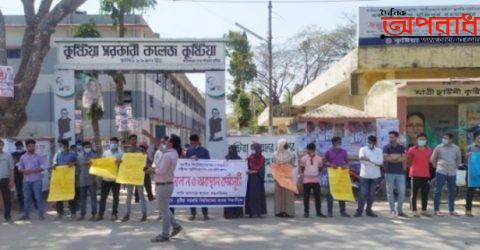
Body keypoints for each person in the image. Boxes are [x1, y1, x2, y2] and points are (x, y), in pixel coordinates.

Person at [150, 134, 184, 243]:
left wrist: (151, 170)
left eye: (168, 141)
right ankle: (176, 226)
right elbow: (160, 145)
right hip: (167, 184)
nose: (165, 142)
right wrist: (148, 135)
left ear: (171, 143)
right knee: (165, 209)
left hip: (163, 185)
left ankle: (165, 234)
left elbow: (161, 171)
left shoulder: (167, 155)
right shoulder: (173, 153)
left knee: (163, 211)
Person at [431, 133, 462, 217]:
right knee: (438, 190)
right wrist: (436, 167)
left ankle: (451, 210)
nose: (444, 139)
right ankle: (436, 210)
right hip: (441, 170)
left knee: (452, 191)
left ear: (451, 140)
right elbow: (433, 159)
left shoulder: (456, 148)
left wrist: (455, 168)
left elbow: (459, 160)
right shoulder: (438, 147)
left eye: (446, 138)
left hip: (452, 172)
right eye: (443, 137)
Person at [17, 139, 46, 221]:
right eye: (30, 146)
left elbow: (43, 167)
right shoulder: (23, 157)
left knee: (38, 197)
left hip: (37, 180)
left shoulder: (39, 156)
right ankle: (26, 215)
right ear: (26, 147)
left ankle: (41, 215)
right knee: (26, 198)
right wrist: (23, 171)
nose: (32, 148)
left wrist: (34, 170)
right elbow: (19, 167)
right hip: (26, 181)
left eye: (33, 146)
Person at [355, 135, 383, 218]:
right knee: (362, 193)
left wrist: (369, 160)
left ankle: (369, 210)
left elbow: (380, 162)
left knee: (371, 194)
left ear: (375, 142)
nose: (369, 143)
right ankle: (359, 210)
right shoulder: (363, 149)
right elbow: (362, 160)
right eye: (368, 142)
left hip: (375, 176)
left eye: (371, 142)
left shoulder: (379, 150)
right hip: (364, 175)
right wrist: (375, 163)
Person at [122, 134, 148, 222]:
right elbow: (124, 165)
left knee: (141, 195)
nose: (134, 141)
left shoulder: (141, 150)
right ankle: (127, 214)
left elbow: (146, 161)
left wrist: (145, 155)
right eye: (132, 139)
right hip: (129, 176)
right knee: (129, 195)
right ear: (129, 141)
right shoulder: (126, 151)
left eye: (135, 139)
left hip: (138, 176)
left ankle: (144, 214)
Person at [186, 134, 211, 221]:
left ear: (197, 141)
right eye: (191, 143)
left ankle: (205, 213)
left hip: (202, 176)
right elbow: (184, 163)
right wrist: (190, 159)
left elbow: (209, 163)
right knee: (192, 195)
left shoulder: (204, 151)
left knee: (203, 195)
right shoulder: (189, 151)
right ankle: (193, 213)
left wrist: (199, 159)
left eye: (193, 143)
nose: (192, 144)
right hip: (192, 176)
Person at [324, 136, 350, 217]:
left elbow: (346, 162)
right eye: (338, 142)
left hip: (341, 174)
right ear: (333, 143)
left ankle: (343, 211)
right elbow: (324, 162)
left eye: (340, 142)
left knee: (342, 192)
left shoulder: (344, 151)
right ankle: (329, 212)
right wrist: (331, 165)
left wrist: (345, 166)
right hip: (332, 175)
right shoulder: (328, 152)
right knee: (330, 193)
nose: (339, 144)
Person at [407, 133, 432, 217]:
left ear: (426, 140)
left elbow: (429, 161)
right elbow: (408, 161)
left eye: (423, 139)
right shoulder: (411, 150)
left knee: (425, 193)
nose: (422, 141)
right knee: (414, 193)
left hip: (425, 174)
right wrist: (412, 169)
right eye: (420, 139)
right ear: (417, 140)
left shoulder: (429, 150)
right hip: (415, 174)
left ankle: (424, 210)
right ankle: (414, 210)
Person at [383, 131, 407, 217]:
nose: (390, 138)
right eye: (389, 137)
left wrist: (392, 158)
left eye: (392, 137)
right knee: (390, 192)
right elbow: (386, 158)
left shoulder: (401, 147)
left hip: (400, 173)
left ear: (396, 138)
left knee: (402, 191)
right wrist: (397, 158)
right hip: (389, 172)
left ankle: (399, 210)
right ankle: (392, 210)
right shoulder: (386, 147)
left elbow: (404, 158)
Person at [98, 137, 122, 221]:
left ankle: (114, 213)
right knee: (103, 197)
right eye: (112, 142)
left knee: (116, 197)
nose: (113, 144)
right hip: (105, 179)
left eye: (115, 142)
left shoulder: (120, 154)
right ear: (109, 143)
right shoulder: (105, 153)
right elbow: (102, 164)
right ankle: (100, 214)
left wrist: (119, 163)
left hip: (116, 179)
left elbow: (123, 166)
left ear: (117, 144)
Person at [53, 139, 78, 220]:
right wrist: (54, 165)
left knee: (71, 196)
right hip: (60, 178)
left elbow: (77, 162)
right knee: (59, 196)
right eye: (60, 146)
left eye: (62, 145)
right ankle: (59, 213)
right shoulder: (58, 154)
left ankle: (73, 213)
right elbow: (54, 162)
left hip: (69, 178)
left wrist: (73, 163)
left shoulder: (73, 154)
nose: (61, 147)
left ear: (66, 146)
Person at [299, 143, 325, 218]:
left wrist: (315, 173)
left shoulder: (319, 158)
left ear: (314, 150)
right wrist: (304, 176)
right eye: (309, 150)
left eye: (311, 150)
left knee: (318, 197)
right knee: (306, 197)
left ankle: (318, 212)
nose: (310, 151)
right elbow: (302, 168)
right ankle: (306, 212)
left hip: (316, 180)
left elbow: (320, 168)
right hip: (306, 180)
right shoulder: (303, 158)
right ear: (307, 150)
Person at [273, 139, 296, 218]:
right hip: (282, 176)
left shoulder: (291, 154)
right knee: (282, 194)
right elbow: (293, 164)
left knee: (284, 194)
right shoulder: (276, 154)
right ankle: (283, 211)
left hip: (284, 176)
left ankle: (284, 211)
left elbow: (293, 164)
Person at [77, 141, 98, 221]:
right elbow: (78, 168)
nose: (87, 148)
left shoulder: (94, 156)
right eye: (86, 147)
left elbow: (97, 167)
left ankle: (94, 214)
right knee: (82, 198)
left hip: (91, 179)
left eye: (89, 147)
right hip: (82, 180)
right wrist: (77, 180)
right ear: (83, 148)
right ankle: (82, 214)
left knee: (93, 198)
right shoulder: (79, 156)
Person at [245, 143, 267, 218]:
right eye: (252, 149)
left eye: (254, 149)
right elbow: (246, 166)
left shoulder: (262, 158)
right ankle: (251, 212)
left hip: (258, 180)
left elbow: (261, 170)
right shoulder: (250, 157)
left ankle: (258, 212)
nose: (252, 150)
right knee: (251, 196)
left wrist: (253, 171)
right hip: (251, 180)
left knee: (257, 196)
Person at [223, 145, 244, 219]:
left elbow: (241, 170)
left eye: (232, 150)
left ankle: (237, 213)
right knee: (229, 197)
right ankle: (229, 214)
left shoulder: (239, 159)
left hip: (236, 181)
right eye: (230, 149)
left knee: (236, 196)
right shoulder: (226, 158)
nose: (231, 151)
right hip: (229, 181)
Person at [466, 131, 480, 217]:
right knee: (470, 192)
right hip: (473, 173)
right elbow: (466, 158)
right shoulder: (470, 147)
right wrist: (468, 155)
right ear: (475, 138)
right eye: (478, 137)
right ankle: (468, 210)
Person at [0, 140, 14, 223]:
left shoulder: (8, 155)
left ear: (3, 146)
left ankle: (8, 216)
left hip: (5, 179)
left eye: (1, 145)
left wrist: (12, 180)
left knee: (7, 198)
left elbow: (12, 168)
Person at [11, 140, 26, 211]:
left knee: (27, 191)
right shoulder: (13, 154)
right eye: (18, 147)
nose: (19, 148)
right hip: (17, 175)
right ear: (16, 147)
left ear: (23, 146)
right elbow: (12, 165)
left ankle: (29, 206)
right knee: (19, 191)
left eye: (20, 146)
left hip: (26, 174)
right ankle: (21, 207)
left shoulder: (26, 153)